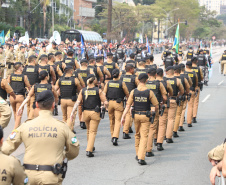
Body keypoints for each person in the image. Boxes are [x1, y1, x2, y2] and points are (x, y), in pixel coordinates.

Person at [2, 90, 80, 185]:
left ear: (37, 105)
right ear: (53, 105)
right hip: (51, 176)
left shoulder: (25, 126)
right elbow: (74, 150)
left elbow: (5, 148)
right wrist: (63, 154)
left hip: (29, 176)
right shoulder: (62, 127)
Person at [121, 73, 159, 165]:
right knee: (144, 136)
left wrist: (123, 116)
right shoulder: (149, 92)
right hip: (145, 116)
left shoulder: (134, 92)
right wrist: (154, 112)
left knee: (137, 135)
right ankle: (141, 158)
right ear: (146, 80)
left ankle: (138, 154)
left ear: (138, 80)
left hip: (136, 116)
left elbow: (128, 105)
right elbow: (156, 105)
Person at [70, 74, 108, 157]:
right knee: (92, 132)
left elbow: (78, 102)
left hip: (85, 113)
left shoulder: (83, 90)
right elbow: (105, 102)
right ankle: (89, 150)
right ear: (94, 81)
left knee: (88, 131)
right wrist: (104, 107)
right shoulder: (98, 90)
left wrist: (72, 113)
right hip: (95, 113)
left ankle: (90, 146)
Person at [104, 69, 129, 146]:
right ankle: (115, 137)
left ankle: (112, 136)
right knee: (118, 120)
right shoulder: (122, 83)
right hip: (118, 103)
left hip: (110, 103)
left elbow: (104, 93)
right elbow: (127, 93)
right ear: (119, 75)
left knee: (111, 120)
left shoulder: (108, 83)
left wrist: (104, 104)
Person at [146, 68, 167, 156]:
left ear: (148, 74)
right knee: (153, 127)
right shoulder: (159, 84)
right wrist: (163, 103)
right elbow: (165, 97)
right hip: (155, 108)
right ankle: (149, 149)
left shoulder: (144, 84)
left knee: (145, 129)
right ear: (155, 75)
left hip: (144, 108)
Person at [55, 66, 82, 132]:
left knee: (64, 116)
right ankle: (70, 130)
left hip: (63, 100)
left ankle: (64, 129)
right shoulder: (75, 80)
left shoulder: (60, 80)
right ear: (71, 71)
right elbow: (79, 90)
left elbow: (55, 89)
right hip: (71, 100)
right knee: (71, 116)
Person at [8, 62, 31, 129]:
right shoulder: (24, 76)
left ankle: (17, 126)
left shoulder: (10, 76)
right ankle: (16, 129)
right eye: (22, 67)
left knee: (15, 112)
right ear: (20, 68)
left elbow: (7, 85)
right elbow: (28, 86)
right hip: (20, 96)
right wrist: (28, 89)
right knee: (19, 114)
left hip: (12, 97)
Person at [165, 66, 184, 143]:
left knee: (162, 120)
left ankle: (159, 137)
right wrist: (177, 96)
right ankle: (169, 137)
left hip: (164, 102)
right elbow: (182, 91)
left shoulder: (162, 80)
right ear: (173, 72)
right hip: (173, 100)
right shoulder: (177, 80)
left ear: (166, 72)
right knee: (171, 119)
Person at [155, 68, 173, 151]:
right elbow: (171, 93)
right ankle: (159, 143)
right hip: (162, 105)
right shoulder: (166, 82)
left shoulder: (149, 83)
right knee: (162, 124)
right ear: (163, 74)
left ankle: (155, 139)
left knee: (153, 124)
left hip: (152, 106)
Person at [120, 64, 139, 138]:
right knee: (129, 114)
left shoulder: (121, 77)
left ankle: (128, 127)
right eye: (133, 69)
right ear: (131, 69)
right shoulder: (134, 78)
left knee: (126, 113)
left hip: (122, 97)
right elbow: (139, 86)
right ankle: (125, 131)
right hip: (131, 97)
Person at [172, 65, 190, 137]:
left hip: (169, 100)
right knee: (178, 114)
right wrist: (184, 94)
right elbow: (188, 87)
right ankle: (175, 131)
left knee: (169, 117)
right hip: (180, 99)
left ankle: (167, 133)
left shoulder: (167, 79)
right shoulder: (183, 78)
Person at [185, 61, 198, 127]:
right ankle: (189, 122)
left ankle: (180, 123)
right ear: (191, 66)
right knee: (190, 107)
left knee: (182, 108)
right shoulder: (194, 73)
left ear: (186, 66)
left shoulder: (183, 73)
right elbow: (196, 83)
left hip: (184, 92)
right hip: (191, 91)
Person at [191, 57, 204, 123]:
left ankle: (187, 117)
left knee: (189, 103)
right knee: (195, 102)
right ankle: (194, 117)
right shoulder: (199, 69)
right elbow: (202, 78)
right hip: (196, 87)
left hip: (189, 88)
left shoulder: (188, 69)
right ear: (196, 61)